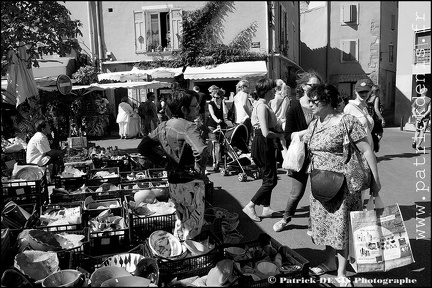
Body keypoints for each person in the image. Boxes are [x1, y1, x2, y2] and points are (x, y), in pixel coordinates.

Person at [304, 84, 381, 287]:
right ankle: (330, 262)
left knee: (341, 228)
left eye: (314, 100)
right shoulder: (315, 122)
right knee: (325, 226)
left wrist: (376, 180)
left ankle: (341, 272)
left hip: (343, 186)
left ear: (328, 101)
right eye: (309, 100)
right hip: (320, 184)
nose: (310, 104)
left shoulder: (347, 121)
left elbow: (366, 150)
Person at [273, 70, 323, 232]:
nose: (315, 88)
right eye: (312, 85)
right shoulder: (294, 107)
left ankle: (312, 223)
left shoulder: (322, 105)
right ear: (303, 86)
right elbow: (288, 135)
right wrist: (308, 131)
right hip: (301, 156)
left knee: (317, 194)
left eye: (318, 86)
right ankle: (286, 218)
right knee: (296, 193)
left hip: (319, 155)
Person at [137, 89, 209, 177]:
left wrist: (164, 163)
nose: (199, 108)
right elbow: (201, 151)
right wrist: (198, 170)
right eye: (196, 106)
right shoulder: (189, 126)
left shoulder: (163, 126)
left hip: (172, 180)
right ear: (184, 110)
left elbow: (142, 147)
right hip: (191, 182)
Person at [242, 78, 283, 222]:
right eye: (272, 89)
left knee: (268, 177)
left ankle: (266, 208)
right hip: (263, 142)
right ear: (266, 91)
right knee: (270, 181)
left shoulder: (264, 104)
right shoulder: (261, 106)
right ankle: (250, 205)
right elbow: (266, 132)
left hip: (265, 143)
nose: (274, 91)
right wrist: (281, 135)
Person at [343, 79, 375, 149]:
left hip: (367, 150)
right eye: (361, 92)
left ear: (370, 92)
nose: (363, 94)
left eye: (366, 91)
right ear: (355, 92)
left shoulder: (364, 107)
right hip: (357, 151)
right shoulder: (350, 108)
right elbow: (345, 132)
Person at [207, 87, 228, 172]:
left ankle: (220, 161)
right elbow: (212, 114)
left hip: (222, 125)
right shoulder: (211, 104)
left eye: (217, 98)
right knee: (216, 144)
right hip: (212, 125)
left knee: (221, 144)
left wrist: (222, 103)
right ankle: (216, 163)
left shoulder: (223, 103)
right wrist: (217, 121)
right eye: (214, 97)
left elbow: (225, 113)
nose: (215, 99)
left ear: (221, 97)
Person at [269, 79, 291, 151]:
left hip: (276, 122)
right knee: (283, 145)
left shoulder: (275, 98)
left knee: (274, 143)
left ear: (276, 87)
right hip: (284, 122)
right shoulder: (287, 98)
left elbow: (272, 111)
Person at [366, 85, 385, 152]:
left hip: (368, 118)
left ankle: (371, 148)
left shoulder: (367, 98)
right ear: (377, 91)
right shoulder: (376, 98)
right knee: (379, 134)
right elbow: (376, 110)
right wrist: (382, 118)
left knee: (370, 135)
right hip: (375, 119)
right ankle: (373, 147)